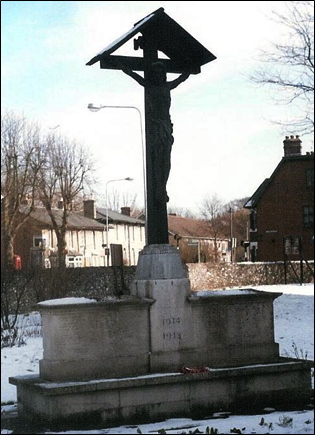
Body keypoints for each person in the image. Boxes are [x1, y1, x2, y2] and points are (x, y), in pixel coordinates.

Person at [119, 61, 190, 204]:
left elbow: (182, 78)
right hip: (156, 126)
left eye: (161, 73)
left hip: (166, 125)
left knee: (166, 158)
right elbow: (136, 77)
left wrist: (189, 68)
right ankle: (159, 188)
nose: (159, 75)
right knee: (158, 157)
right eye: (156, 73)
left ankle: (163, 186)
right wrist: (124, 68)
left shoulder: (167, 86)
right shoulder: (150, 86)